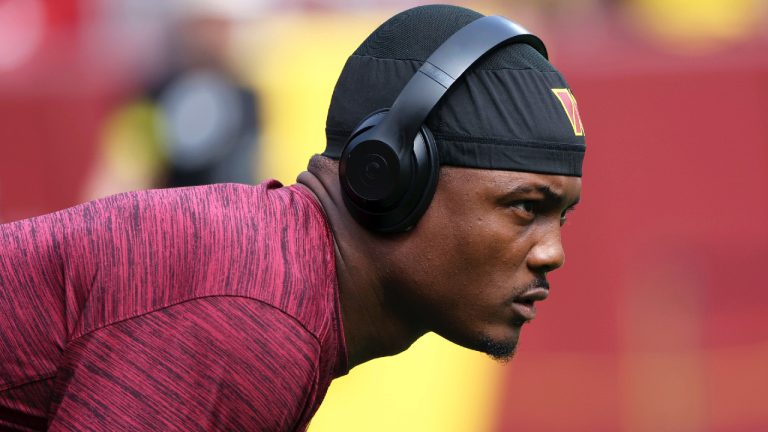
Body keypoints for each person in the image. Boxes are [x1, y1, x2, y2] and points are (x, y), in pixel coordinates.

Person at [0, 5, 585, 431]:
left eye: (561, 216)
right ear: (391, 175)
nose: (551, 251)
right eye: (525, 208)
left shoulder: (278, 285)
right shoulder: (252, 318)